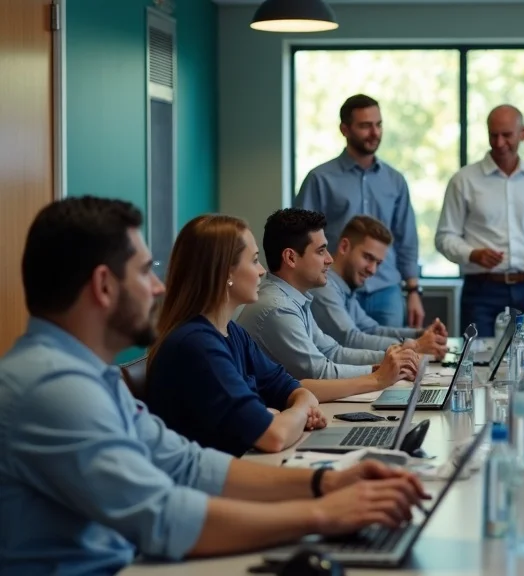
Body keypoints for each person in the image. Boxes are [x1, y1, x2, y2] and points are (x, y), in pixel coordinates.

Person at [0, 197, 426, 575]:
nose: (158, 287)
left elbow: (186, 464)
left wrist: (328, 484)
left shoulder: (92, 376)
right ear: (104, 286)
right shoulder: (51, 388)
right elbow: (163, 517)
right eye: (145, 271)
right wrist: (321, 514)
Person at [147, 215, 326, 456]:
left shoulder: (232, 332)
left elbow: (290, 387)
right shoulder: (196, 345)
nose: (262, 271)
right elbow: (273, 437)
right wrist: (295, 412)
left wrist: (286, 412)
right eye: (254, 261)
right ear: (225, 273)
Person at [236, 209, 420, 386]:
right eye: (321, 251)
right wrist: (381, 371)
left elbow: (332, 352)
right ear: (291, 258)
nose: (329, 259)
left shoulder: (294, 298)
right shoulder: (278, 307)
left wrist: (393, 357)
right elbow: (318, 373)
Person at [295, 94, 424, 329]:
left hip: (386, 291)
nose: (374, 132)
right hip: (333, 290)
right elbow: (300, 237)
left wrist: (414, 291)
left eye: (378, 124)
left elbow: (406, 239)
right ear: (345, 129)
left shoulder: (395, 181)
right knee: (339, 356)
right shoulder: (320, 179)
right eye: (365, 126)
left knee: (396, 357)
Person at [435, 104, 524, 336]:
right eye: (493, 135)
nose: (499, 143)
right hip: (481, 288)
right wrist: (472, 254)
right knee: (477, 362)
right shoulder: (463, 180)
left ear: (523, 133)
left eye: (507, 135)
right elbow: (445, 237)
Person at [311, 215, 448, 357]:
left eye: (378, 263)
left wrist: (420, 334)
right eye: (368, 258)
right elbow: (349, 339)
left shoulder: (344, 287)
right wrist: (416, 345)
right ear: (344, 246)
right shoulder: (324, 286)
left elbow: (372, 329)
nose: (373, 270)